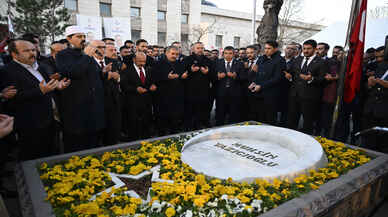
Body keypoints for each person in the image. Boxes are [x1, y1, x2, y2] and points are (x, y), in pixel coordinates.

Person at [3, 39, 70, 160]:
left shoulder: (40, 67)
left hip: (50, 120)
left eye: (33, 50)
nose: (32, 53)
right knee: (35, 159)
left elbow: (48, 86)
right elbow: (12, 99)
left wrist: (58, 86)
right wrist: (40, 91)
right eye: (26, 51)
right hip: (30, 126)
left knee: (52, 156)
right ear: (14, 54)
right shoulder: (7, 71)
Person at [56, 26, 108, 152]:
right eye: (79, 37)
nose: (83, 39)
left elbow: (93, 77)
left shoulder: (87, 55)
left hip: (94, 107)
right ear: (69, 39)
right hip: (77, 108)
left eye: (84, 36)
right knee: (78, 145)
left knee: (94, 142)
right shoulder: (63, 55)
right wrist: (86, 56)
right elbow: (74, 72)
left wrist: (103, 73)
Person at [286, 39, 328, 134]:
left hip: (310, 97)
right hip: (294, 95)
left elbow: (323, 79)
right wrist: (289, 76)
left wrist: (311, 79)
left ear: (314, 49)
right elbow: (292, 73)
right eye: (304, 48)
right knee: (291, 121)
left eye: (308, 49)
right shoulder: (298, 59)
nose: (305, 51)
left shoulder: (321, 62)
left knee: (307, 123)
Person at [88, 41, 121, 146]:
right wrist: (105, 74)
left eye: (103, 47)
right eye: (100, 47)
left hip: (112, 100)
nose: (102, 49)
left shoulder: (112, 61)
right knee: (97, 133)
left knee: (112, 131)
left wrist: (117, 77)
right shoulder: (89, 63)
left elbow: (119, 77)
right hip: (96, 102)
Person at [121, 52, 157, 140]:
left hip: (147, 103)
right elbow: (124, 86)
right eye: (140, 61)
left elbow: (152, 82)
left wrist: (153, 86)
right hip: (133, 103)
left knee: (146, 124)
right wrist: (135, 89)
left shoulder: (149, 70)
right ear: (134, 60)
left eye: (144, 61)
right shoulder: (127, 71)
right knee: (134, 126)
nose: (142, 63)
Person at [251, 41, 285, 125]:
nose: (266, 50)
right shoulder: (261, 58)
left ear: (275, 49)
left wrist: (261, 86)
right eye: (265, 48)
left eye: (269, 48)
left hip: (271, 94)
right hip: (259, 93)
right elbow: (257, 73)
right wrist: (254, 82)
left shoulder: (280, 60)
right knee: (259, 117)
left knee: (270, 118)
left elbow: (277, 78)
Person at [152, 46, 185, 135]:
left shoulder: (180, 63)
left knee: (175, 117)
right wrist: (167, 77)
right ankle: (161, 134)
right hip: (162, 96)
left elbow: (182, 76)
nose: (174, 56)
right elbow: (153, 78)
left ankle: (174, 133)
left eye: (177, 54)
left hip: (176, 95)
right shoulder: (158, 63)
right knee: (162, 118)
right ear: (166, 53)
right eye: (172, 54)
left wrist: (183, 76)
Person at [183, 42, 214, 130]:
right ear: (193, 49)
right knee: (190, 110)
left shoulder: (208, 60)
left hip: (204, 90)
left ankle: (200, 125)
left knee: (202, 110)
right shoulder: (187, 59)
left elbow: (214, 76)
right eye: (198, 48)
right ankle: (189, 127)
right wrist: (190, 70)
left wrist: (207, 72)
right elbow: (181, 73)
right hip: (190, 90)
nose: (200, 50)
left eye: (202, 48)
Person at [362, 46, 388, 151]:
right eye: (377, 57)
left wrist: (383, 83)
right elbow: (370, 86)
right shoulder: (380, 66)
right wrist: (369, 83)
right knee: (369, 138)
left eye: (381, 56)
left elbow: (382, 83)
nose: (378, 60)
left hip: (385, 109)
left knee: (383, 141)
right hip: (371, 108)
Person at [215, 46, 243, 125]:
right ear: (223, 54)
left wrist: (235, 76)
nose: (228, 55)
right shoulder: (217, 62)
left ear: (234, 54)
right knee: (220, 114)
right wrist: (217, 76)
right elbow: (211, 76)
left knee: (233, 115)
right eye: (226, 53)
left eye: (230, 53)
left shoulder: (239, 64)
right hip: (221, 93)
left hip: (234, 93)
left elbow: (244, 78)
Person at [278, 42, 298, 126]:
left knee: (285, 113)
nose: (289, 50)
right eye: (288, 48)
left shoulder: (297, 62)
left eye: (292, 49)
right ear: (284, 49)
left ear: (296, 52)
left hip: (288, 91)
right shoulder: (278, 59)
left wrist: (291, 78)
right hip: (275, 89)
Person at [240, 45, 259, 121]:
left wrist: (258, 72)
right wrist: (245, 69)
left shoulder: (262, 61)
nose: (249, 55)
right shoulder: (245, 62)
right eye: (247, 53)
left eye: (251, 52)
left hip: (256, 92)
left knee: (255, 113)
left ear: (256, 52)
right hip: (245, 92)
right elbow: (242, 77)